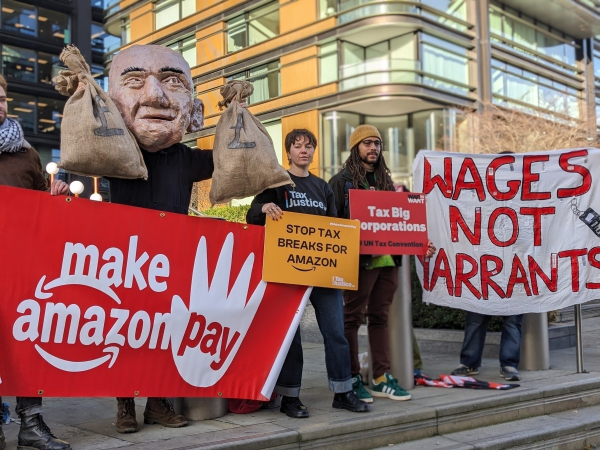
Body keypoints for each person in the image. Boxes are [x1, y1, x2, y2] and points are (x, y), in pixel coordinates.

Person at [103, 44, 222, 433]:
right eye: (136, 82)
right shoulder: (114, 152)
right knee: (123, 331)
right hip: (125, 262)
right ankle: (125, 405)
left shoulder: (186, 158)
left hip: (172, 261)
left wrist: (234, 111)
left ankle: (157, 403)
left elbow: (233, 159)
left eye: (172, 82)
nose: (155, 95)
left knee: (165, 333)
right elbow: (76, 159)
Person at [246, 129, 371, 418]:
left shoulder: (322, 187)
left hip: (323, 273)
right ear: (288, 152)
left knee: (336, 333)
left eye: (308, 146)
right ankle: (290, 397)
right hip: (288, 272)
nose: (304, 150)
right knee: (291, 336)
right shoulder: (277, 183)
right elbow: (252, 212)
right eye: (297, 146)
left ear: (313, 151)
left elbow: (335, 228)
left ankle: (343, 392)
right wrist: (264, 206)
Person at [329, 125, 436, 403]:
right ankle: (352, 376)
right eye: (366, 143)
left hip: (388, 263)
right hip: (358, 262)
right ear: (356, 148)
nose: (373, 148)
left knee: (380, 318)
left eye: (376, 143)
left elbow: (401, 220)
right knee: (351, 319)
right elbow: (333, 222)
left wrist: (419, 243)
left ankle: (381, 378)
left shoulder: (388, 182)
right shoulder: (341, 182)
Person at [0, 74, 71, 449]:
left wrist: (54, 196)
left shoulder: (26, 154)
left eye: (1, 98)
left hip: (19, 268)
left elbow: (41, 209)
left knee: (26, 344)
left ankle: (31, 425)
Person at [451, 151, 522, 382]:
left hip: (514, 268)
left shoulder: (526, 198)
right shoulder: (479, 197)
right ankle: (470, 363)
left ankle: (509, 364)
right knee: (476, 317)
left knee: (512, 320)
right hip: (484, 267)